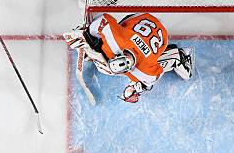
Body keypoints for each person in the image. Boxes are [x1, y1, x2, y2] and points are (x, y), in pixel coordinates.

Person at [64, 13, 194, 103]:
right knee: (105, 58)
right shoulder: (118, 42)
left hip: (161, 35)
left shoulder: (144, 71)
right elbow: (102, 20)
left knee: (183, 74)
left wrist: (138, 87)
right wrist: (88, 36)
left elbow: (156, 74)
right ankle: (95, 48)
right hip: (141, 19)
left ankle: (177, 56)